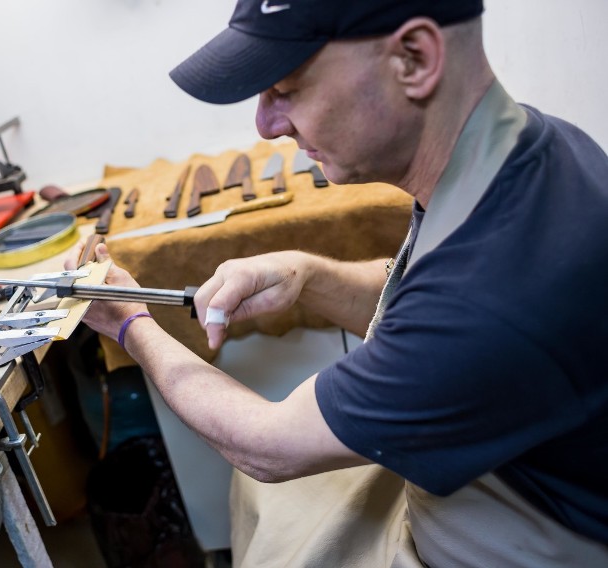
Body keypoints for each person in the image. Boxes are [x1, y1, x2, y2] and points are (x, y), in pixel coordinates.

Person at [65, 0, 608, 565]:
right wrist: (310, 276)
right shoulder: (525, 146)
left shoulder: (493, 289)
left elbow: (267, 446)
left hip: (503, 542)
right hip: (481, 483)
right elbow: (422, 303)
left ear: (414, 58)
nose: (265, 125)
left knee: (267, 486)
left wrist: (127, 322)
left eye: (287, 89)